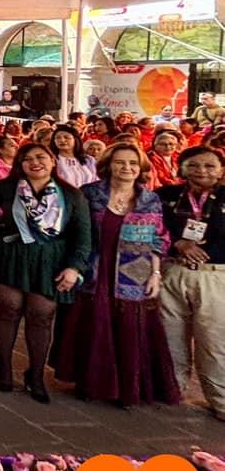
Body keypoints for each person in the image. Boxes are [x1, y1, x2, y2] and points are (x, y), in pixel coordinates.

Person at [54, 143, 180, 408]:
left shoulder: (150, 200)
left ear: (141, 168)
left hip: (134, 273)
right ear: (108, 165)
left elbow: (159, 239)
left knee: (130, 330)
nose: (127, 168)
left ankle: (128, 389)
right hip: (95, 271)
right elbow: (74, 232)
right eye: (120, 162)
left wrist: (156, 273)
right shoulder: (89, 194)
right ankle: (92, 384)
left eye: (133, 163)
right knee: (95, 326)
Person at [0, 144, 91, 403]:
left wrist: (74, 267)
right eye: (27, 159)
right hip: (10, 257)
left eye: (40, 157)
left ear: (52, 160)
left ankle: (37, 374)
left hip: (50, 262)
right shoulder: (6, 189)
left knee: (41, 316)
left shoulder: (71, 196)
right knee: (8, 310)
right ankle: (5, 367)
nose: (34, 163)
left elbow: (83, 236)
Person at [158, 146, 225, 422]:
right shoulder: (166, 196)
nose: (202, 171)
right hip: (173, 271)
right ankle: (171, 392)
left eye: (210, 166)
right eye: (194, 165)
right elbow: (155, 225)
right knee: (170, 336)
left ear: (221, 170)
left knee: (214, 339)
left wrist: (207, 248)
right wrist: (178, 242)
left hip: (214, 274)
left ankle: (220, 400)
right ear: (182, 168)